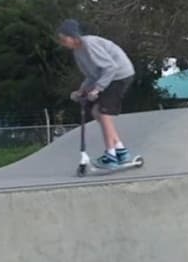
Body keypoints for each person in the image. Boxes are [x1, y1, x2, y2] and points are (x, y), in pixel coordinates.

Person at [57, 18, 135, 168]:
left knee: (103, 113)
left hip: (120, 74)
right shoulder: (77, 52)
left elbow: (110, 68)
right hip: (109, 77)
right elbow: (92, 75)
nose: (62, 42)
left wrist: (97, 89)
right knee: (96, 112)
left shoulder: (89, 44)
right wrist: (81, 90)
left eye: (63, 38)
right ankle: (121, 150)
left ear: (73, 36)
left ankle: (111, 156)